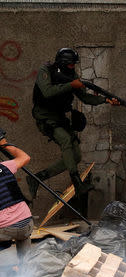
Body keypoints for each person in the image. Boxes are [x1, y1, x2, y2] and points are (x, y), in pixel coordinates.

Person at [27, 48, 120, 202]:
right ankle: (77, 184)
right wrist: (71, 85)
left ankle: (37, 178)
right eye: (70, 65)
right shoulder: (47, 70)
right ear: (63, 63)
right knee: (65, 139)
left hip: (60, 118)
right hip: (44, 118)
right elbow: (47, 91)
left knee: (75, 156)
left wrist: (106, 100)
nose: (73, 67)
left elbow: (85, 98)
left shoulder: (71, 76)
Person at [0, 131, 33, 260]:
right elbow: (25, 157)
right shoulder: (5, 166)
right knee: (23, 234)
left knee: (9, 230)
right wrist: (4, 144)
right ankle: (26, 269)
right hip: (26, 223)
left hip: (4, 229)